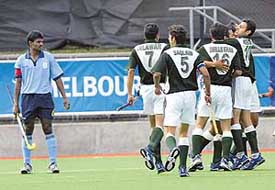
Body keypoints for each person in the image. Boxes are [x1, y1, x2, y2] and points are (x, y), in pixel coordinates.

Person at [152, 24, 211, 177]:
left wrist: (157, 86)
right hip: (190, 96)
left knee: (169, 131)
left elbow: (157, 73)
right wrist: (208, 93)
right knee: (184, 133)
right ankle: (182, 169)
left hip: (174, 96)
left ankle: (173, 150)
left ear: (172, 38)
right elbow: (205, 74)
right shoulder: (194, 53)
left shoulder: (167, 53)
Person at [13, 30, 69, 174]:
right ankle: (27, 164)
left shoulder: (49, 58)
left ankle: (53, 163)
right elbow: (18, 84)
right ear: (30, 43)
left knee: (47, 127)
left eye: (42, 41)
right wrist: (15, 103)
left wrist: (64, 97)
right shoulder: (21, 60)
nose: (41, 44)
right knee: (28, 130)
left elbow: (57, 78)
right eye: (38, 42)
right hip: (28, 98)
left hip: (45, 98)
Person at [189, 23, 242, 172]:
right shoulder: (232, 49)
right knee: (225, 127)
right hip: (225, 89)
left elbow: (196, 64)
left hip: (210, 88)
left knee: (199, 124)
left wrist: (212, 65)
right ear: (225, 35)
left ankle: (196, 157)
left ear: (211, 35)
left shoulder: (204, 49)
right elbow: (238, 72)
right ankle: (225, 160)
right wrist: (228, 73)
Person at [126, 23, 168, 174]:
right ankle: (150, 149)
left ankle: (158, 163)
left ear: (144, 35)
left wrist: (130, 93)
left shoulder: (136, 49)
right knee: (160, 125)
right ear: (157, 35)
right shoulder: (164, 47)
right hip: (160, 87)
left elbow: (131, 72)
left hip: (145, 90)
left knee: (152, 126)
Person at [226, 19, 265, 170]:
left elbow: (219, 44)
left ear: (248, 32)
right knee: (245, 118)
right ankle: (253, 155)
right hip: (247, 82)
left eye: (241, 27)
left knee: (235, 119)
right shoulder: (246, 42)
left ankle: (241, 155)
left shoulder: (238, 42)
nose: (237, 28)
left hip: (242, 81)